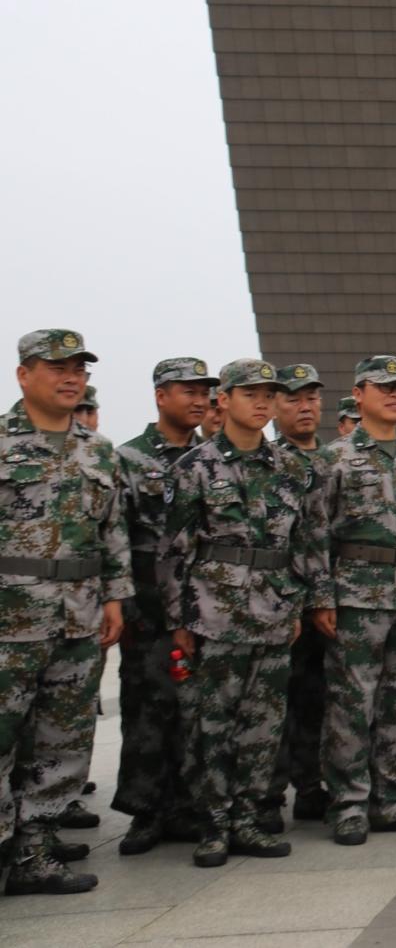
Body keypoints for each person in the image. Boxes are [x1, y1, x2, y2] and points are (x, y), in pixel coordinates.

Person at [162, 358, 321, 867]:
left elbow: (302, 545)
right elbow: (173, 552)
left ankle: (249, 817)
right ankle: (213, 823)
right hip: (215, 614)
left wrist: (296, 603)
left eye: (268, 394)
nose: (261, 402)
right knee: (213, 723)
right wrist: (179, 619)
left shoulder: (291, 468)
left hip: (273, 612)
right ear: (223, 400)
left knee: (263, 724)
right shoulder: (194, 468)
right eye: (249, 393)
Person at [304, 356, 396, 844]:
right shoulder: (334, 458)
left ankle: (392, 798)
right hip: (356, 596)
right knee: (351, 702)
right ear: (359, 392)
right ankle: (347, 803)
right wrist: (322, 595)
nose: (395, 395)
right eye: (384, 387)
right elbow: (315, 532)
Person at [1, 330, 128, 896]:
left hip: (78, 617)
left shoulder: (97, 450)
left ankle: (35, 845)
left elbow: (112, 532)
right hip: (10, 619)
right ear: (25, 374)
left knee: (65, 738)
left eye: (78, 366)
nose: (70, 376)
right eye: (57, 366)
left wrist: (114, 596)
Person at [111, 357, 213, 857]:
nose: (198, 400)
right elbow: (114, 535)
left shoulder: (212, 457)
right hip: (148, 604)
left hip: (202, 603)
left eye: (203, 392)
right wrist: (123, 603)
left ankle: (189, 806)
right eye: (186, 391)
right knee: (147, 707)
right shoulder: (127, 459)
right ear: (160, 396)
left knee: (195, 710)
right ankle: (145, 811)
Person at [264, 363, 328, 832]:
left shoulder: (337, 460)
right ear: (274, 407)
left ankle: (313, 787)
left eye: (311, 398)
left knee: (323, 699)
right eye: (293, 399)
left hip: (333, 603)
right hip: (278, 603)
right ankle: (266, 795)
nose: (304, 407)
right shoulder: (266, 463)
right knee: (273, 703)